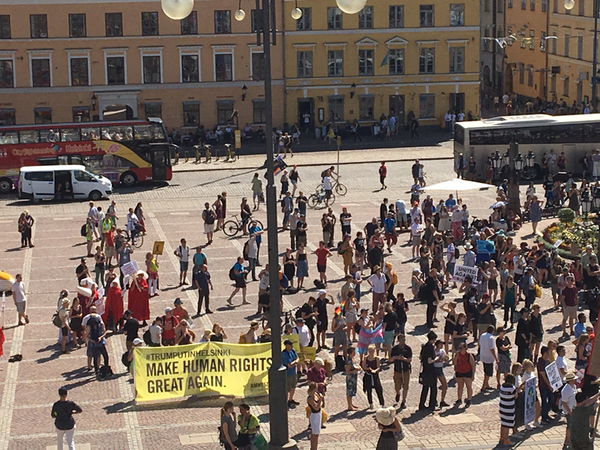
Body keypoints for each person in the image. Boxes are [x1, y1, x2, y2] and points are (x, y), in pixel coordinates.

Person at [419, 331, 438, 410]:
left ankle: (421, 404)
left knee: (425, 388)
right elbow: (429, 360)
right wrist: (436, 359)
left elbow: (420, 358)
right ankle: (432, 405)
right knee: (433, 388)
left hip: (425, 369)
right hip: (431, 370)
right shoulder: (430, 347)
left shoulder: (424, 346)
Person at [452, 341, 475, 406]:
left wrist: (473, 375)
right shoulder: (457, 354)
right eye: (459, 348)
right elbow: (454, 363)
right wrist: (455, 356)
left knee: (468, 386)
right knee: (460, 387)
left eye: (461, 348)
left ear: (465, 348)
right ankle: (459, 399)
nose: (460, 349)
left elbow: (473, 365)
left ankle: (469, 399)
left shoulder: (469, 355)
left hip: (467, 372)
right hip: (459, 372)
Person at [362, 345, 384, 409]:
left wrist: (375, 370)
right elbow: (363, 366)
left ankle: (382, 403)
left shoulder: (376, 358)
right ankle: (371, 403)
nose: (371, 352)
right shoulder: (366, 358)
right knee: (369, 390)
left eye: (372, 351)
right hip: (368, 375)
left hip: (375, 375)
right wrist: (368, 369)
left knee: (379, 389)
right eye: (370, 351)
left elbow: (378, 367)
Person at [560, 372, 578, 448]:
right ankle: (569, 441)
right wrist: (569, 412)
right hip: (569, 411)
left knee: (571, 426)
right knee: (570, 426)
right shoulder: (566, 390)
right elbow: (564, 402)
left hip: (574, 409)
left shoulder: (574, 386)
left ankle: (567, 441)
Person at [499, 374, 518, 446]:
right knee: (507, 425)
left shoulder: (502, 387)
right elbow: (516, 396)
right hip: (509, 409)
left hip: (502, 408)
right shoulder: (512, 388)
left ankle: (502, 438)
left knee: (503, 424)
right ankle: (506, 439)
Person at [537, 346, 554, 424]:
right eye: (548, 353)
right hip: (543, 385)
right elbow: (543, 376)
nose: (549, 354)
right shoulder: (540, 362)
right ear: (544, 353)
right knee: (544, 401)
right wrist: (549, 385)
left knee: (551, 399)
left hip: (549, 384)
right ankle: (544, 417)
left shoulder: (548, 361)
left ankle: (546, 414)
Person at [479, 325, 498, 391]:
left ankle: (487, 385)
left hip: (483, 355)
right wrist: (496, 358)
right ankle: (483, 386)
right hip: (489, 357)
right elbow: (492, 349)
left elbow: (480, 344)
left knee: (486, 371)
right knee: (488, 373)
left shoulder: (482, 335)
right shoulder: (491, 338)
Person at [282, 339, 299, 407]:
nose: (291, 347)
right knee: (287, 388)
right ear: (286, 346)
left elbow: (297, 358)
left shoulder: (293, 351)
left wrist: (294, 361)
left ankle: (290, 399)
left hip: (293, 372)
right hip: (287, 374)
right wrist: (295, 361)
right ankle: (285, 402)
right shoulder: (284, 354)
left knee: (293, 386)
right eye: (290, 346)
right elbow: (290, 365)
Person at [307, 382, 323, 450]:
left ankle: (314, 447)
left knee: (316, 433)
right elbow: (316, 407)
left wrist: (320, 402)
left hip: (318, 414)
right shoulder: (310, 398)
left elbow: (320, 405)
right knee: (314, 434)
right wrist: (320, 400)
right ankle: (314, 448)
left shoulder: (316, 394)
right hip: (314, 416)